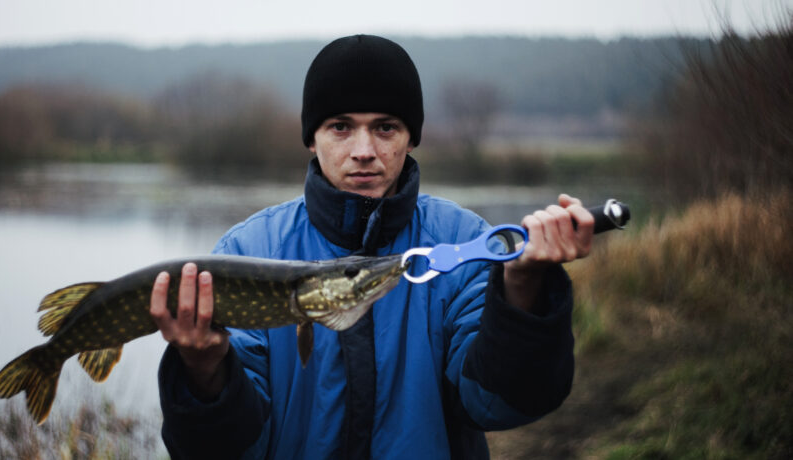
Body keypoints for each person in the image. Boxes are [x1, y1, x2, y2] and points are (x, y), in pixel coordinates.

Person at [149, 34, 594, 459]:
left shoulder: (464, 241)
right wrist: (205, 372)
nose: (364, 150)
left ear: (410, 137)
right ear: (312, 137)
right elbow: (217, 451)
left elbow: (497, 402)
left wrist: (522, 290)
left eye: (385, 127)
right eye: (341, 127)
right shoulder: (247, 249)